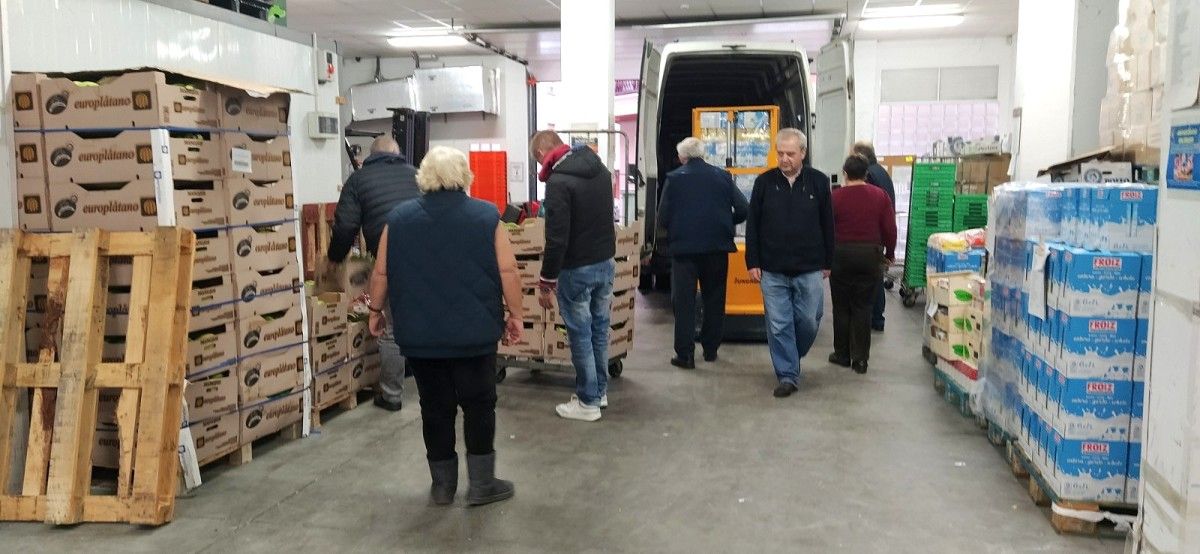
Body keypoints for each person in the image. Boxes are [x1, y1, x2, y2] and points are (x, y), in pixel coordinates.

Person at [366, 146, 522, 507]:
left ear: (425, 177)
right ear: (464, 176)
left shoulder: (398, 219)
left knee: (435, 408)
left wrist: (375, 309)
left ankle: (442, 486)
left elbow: (381, 272)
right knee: (479, 405)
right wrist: (515, 314)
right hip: (475, 336)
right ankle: (482, 484)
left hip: (422, 337)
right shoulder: (486, 216)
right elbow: (508, 270)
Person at [327, 136, 420, 413]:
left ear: (370, 155)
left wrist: (335, 259)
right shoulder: (416, 174)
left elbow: (345, 226)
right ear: (398, 152)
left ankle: (391, 395)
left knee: (391, 326)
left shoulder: (358, 180)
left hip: (391, 256)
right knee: (422, 320)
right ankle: (428, 380)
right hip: (428, 255)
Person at [529, 130, 617, 422]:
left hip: (576, 269)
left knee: (580, 333)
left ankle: (588, 402)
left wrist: (546, 281)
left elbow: (556, 239)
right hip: (604, 263)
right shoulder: (601, 171)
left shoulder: (559, 182)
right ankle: (598, 391)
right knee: (599, 329)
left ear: (543, 153)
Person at [745, 128, 834, 398]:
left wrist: (829, 261)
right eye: (780, 153)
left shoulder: (818, 183)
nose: (784, 159)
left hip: (809, 267)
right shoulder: (764, 183)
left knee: (809, 319)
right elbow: (753, 225)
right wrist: (753, 261)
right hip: (772, 269)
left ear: (803, 154)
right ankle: (787, 375)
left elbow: (828, 224)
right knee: (778, 323)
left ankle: (791, 354)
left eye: (790, 154)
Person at [657, 137, 749, 369]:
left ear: (681, 157)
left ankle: (685, 355)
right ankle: (710, 350)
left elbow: (663, 217)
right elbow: (743, 208)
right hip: (717, 248)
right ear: (703, 155)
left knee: (684, 302)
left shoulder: (674, 179)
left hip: (684, 251)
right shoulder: (722, 176)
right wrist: (726, 223)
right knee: (714, 299)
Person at [829, 154, 897, 374]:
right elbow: (889, 228)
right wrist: (890, 252)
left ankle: (842, 354)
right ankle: (860, 360)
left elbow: (826, 228)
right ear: (866, 174)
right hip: (869, 255)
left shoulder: (835, 197)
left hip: (840, 255)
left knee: (841, 306)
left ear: (845, 173)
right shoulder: (880, 196)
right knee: (863, 307)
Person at [851, 141, 895, 332]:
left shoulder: (869, 176)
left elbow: (865, 207)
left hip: (871, 237)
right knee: (875, 278)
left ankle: (875, 318)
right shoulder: (881, 172)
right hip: (878, 235)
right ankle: (877, 317)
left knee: (871, 281)